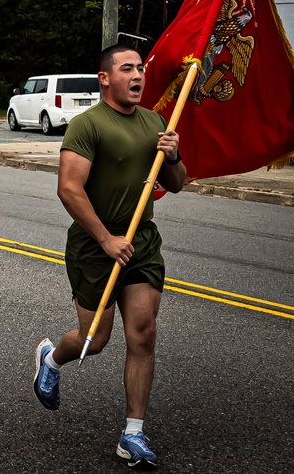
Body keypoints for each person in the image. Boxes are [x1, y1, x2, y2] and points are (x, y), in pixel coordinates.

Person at [32, 44, 186, 469]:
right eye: (126, 69)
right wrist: (104, 239)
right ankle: (51, 357)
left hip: (142, 243)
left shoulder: (156, 121)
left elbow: (177, 183)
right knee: (94, 341)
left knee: (143, 333)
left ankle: (132, 434)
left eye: (140, 68)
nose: (137, 75)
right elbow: (68, 187)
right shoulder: (87, 125)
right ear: (105, 78)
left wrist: (173, 154)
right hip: (94, 246)